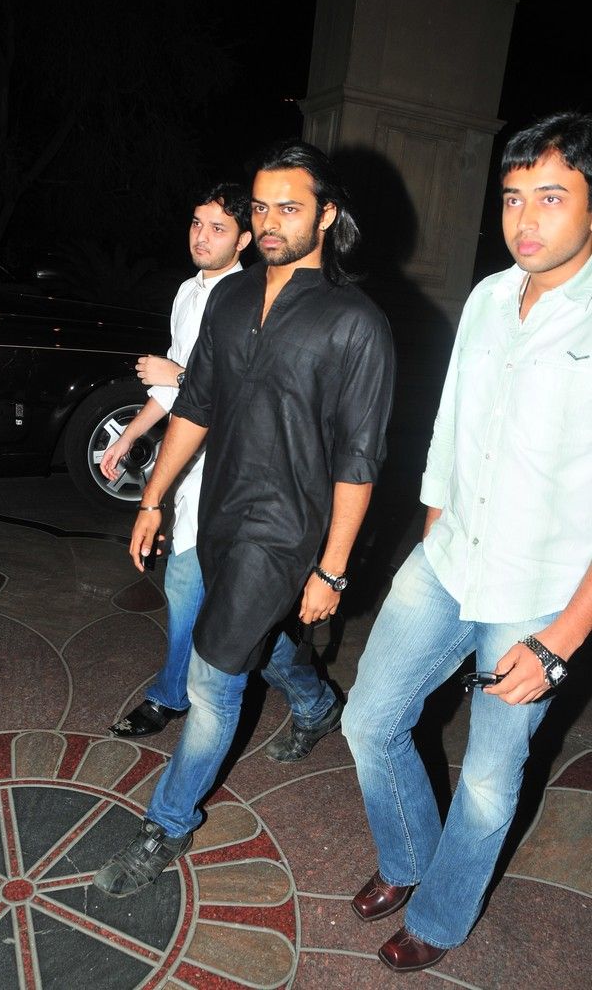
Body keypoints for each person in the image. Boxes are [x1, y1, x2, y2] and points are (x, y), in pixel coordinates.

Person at [93, 139, 395, 897]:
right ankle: (316, 704)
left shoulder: (356, 323)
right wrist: (154, 498)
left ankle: (167, 823)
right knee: (254, 638)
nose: (269, 222)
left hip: (287, 531)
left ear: (327, 215)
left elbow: (359, 459)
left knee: (212, 679)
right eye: (260, 208)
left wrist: (332, 568)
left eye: (289, 208)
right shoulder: (230, 299)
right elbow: (196, 407)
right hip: (217, 512)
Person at [342, 110, 592, 972]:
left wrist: (563, 639)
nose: (525, 218)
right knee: (369, 720)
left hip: (537, 593)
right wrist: (432, 532)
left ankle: (441, 917)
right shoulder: (488, 297)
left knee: (487, 779)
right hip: (448, 558)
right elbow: (450, 425)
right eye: (513, 197)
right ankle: (408, 854)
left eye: (551, 196)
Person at [101, 183, 339, 750]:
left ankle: (170, 695)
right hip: (185, 470)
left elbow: (242, 395)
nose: (202, 238)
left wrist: (178, 376)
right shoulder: (189, 292)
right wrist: (129, 436)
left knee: (194, 592)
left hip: (233, 479)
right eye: (196, 224)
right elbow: (177, 393)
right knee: (232, 615)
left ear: (245, 240)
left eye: (218, 229)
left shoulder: (251, 297)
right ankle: (313, 700)